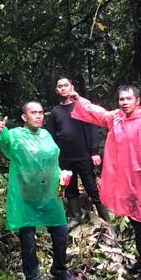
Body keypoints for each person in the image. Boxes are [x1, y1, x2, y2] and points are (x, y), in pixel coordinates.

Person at [69, 85, 141, 280]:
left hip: (139, 183)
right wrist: (79, 100)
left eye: (128, 99)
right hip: (124, 180)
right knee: (135, 223)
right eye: (121, 99)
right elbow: (98, 113)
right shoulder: (116, 117)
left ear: (137, 101)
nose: (124, 103)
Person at [0, 103, 77, 280]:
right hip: (26, 195)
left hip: (48, 194)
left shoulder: (46, 135)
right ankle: (33, 276)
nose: (38, 116)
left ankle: (59, 269)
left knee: (61, 231)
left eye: (40, 113)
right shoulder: (15, 135)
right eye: (33, 113)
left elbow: (52, 159)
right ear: (24, 117)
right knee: (28, 238)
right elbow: (3, 140)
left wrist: (60, 177)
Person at [46, 76, 109, 226]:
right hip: (64, 158)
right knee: (69, 187)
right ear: (56, 90)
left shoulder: (81, 105)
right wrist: (53, 157)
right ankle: (76, 217)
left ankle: (106, 220)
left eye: (65, 85)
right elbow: (51, 135)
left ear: (71, 87)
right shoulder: (55, 112)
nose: (63, 88)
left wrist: (94, 152)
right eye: (59, 86)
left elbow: (92, 128)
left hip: (84, 156)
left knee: (92, 187)